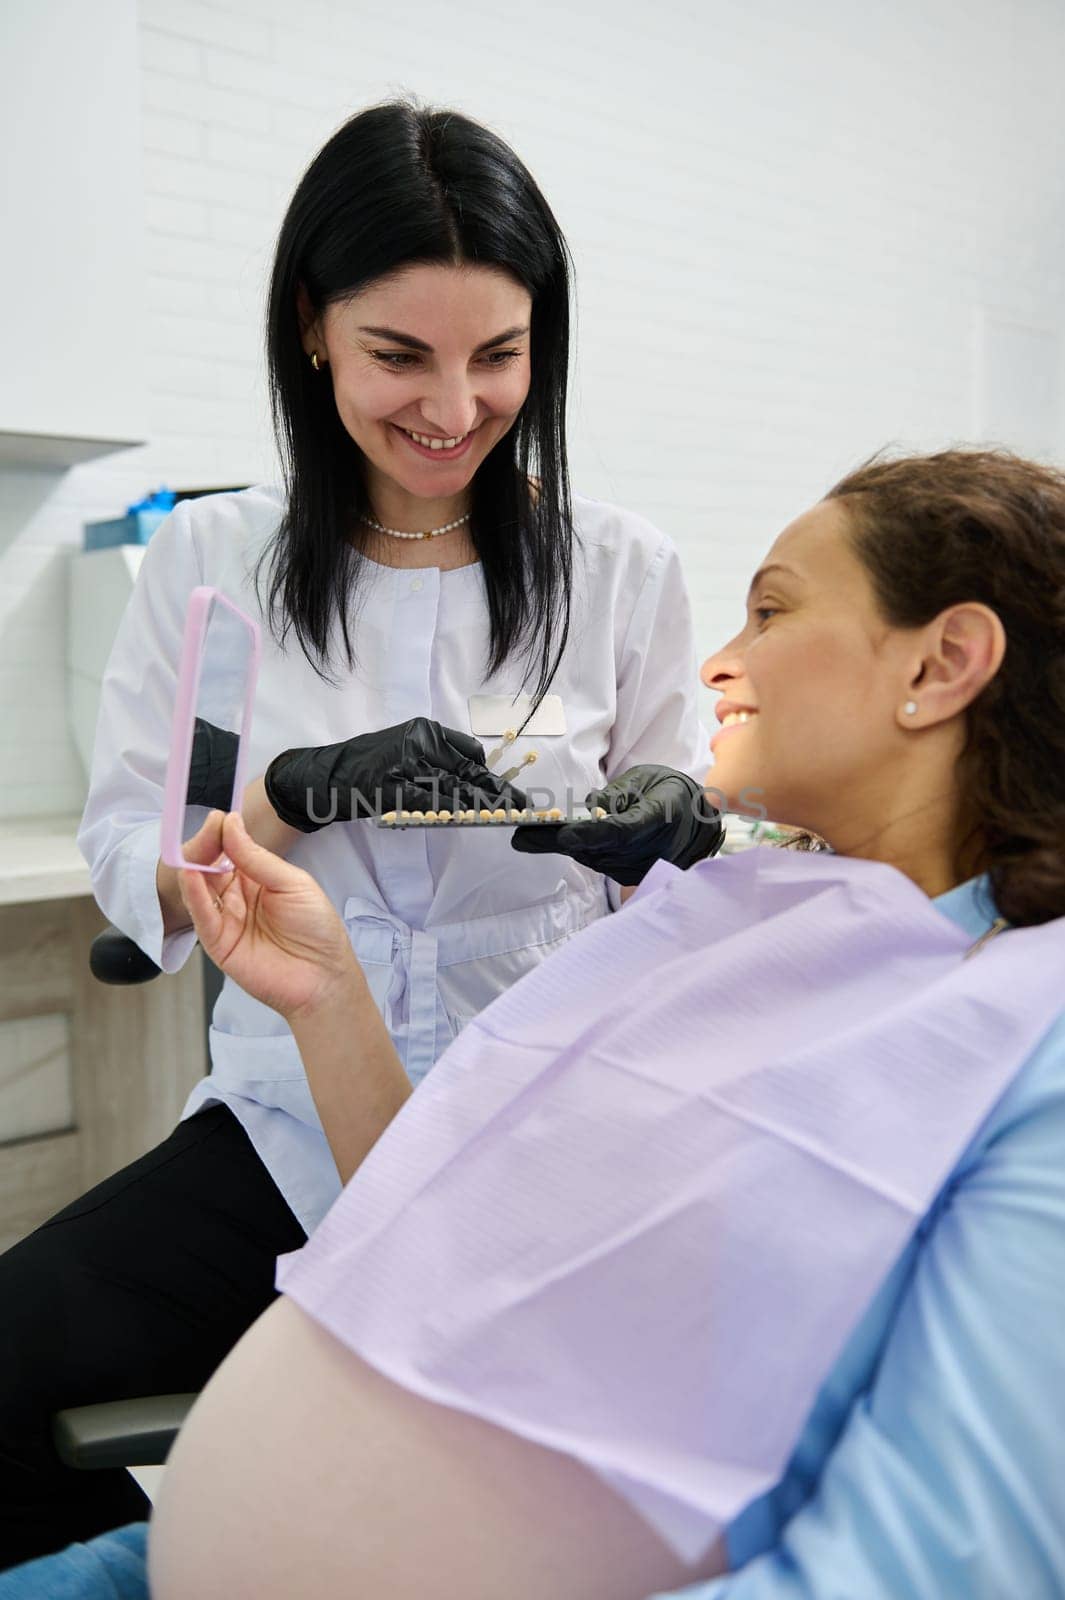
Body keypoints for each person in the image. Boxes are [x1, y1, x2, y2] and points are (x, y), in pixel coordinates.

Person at [4, 446, 1060, 1600]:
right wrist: (325, 981)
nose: (718, 661)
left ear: (946, 660)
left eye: (768, 612)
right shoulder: (728, 921)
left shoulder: (1018, 1032)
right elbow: (446, 1225)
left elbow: (933, 1560)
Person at [0, 101, 722, 1570]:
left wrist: (674, 841)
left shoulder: (624, 572)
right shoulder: (211, 560)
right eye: (401, 355)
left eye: (498, 357)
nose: (453, 406)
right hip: (283, 1130)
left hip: (536, 1142)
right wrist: (291, 794)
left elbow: (700, 867)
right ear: (313, 330)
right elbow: (141, 852)